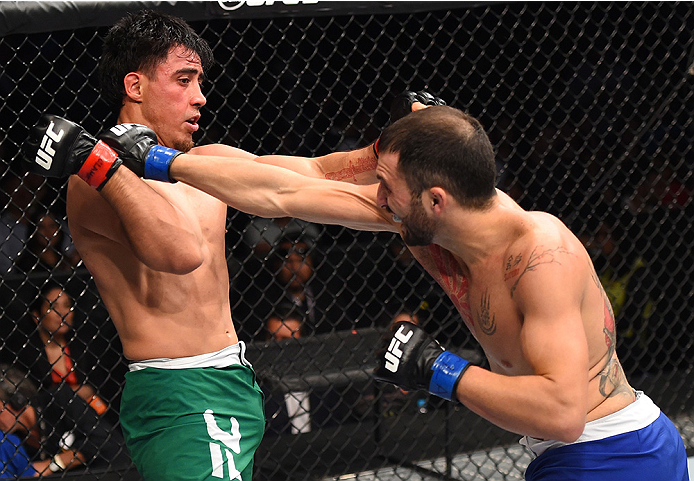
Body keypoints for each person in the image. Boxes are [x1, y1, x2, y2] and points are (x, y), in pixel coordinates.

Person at [61, 104, 688, 479]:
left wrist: (437, 369)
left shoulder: (538, 253)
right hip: (567, 456)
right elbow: (284, 190)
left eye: (387, 186)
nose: (376, 199)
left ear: (435, 199)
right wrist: (160, 164)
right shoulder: (434, 223)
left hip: (614, 453)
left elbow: (562, 411)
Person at [22, 9, 422, 481]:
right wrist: (101, 164)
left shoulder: (204, 162)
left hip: (230, 380)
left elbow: (313, 173)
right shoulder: (94, 181)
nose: (201, 97)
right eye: (184, 80)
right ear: (136, 86)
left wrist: (392, 142)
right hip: (182, 391)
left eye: (200, 81)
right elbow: (181, 251)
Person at [0, 364, 127, 477]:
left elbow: (101, 439)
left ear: (16, 399)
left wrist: (52, 465)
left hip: (117, 471)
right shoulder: (14, 441)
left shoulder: (58, 400)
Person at [9, 281, 108, 415]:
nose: (62, 313)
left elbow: (98, 386)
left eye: (67, 305)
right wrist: (70, 393)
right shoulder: (24, 354)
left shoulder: (83, 347)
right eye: (53, 307)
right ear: (37, 316)